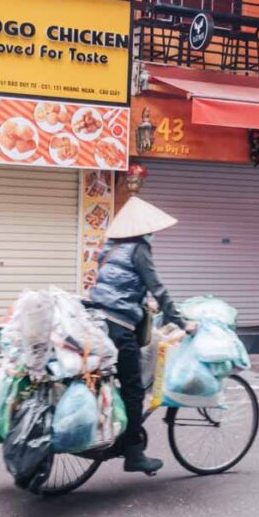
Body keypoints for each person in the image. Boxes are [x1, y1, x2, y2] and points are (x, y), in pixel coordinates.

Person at [90, 195, 187, 474]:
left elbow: (115, 284)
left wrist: (140, 303)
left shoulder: (109, 247)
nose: (153, 234)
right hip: (119, 325)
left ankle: (114, 430)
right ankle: (134, 453)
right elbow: (157, 286)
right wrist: (180, 321)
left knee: (110, 379)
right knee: (133, 389)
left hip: (98, 320)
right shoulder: (139, 248)